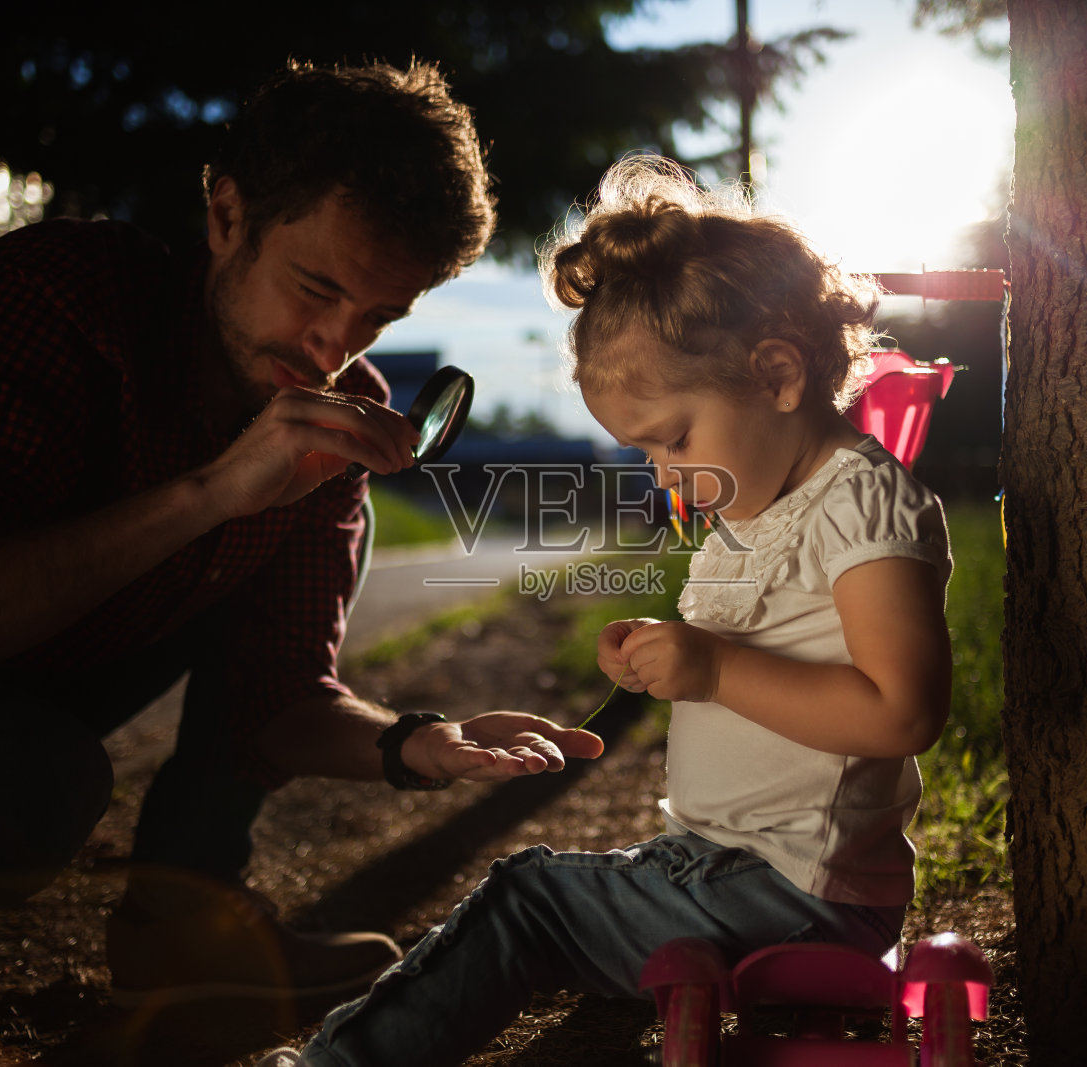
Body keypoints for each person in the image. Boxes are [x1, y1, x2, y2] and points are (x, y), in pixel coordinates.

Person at [0, 60, 601, 1067]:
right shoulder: (57, 304)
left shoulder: (324, 415)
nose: (334, 343)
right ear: (227, 213)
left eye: (378, 317)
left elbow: (273, 698)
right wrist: (213, 491)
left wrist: (416, 743)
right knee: (37, 780)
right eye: (317, 288)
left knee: (215, 585)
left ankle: (187, 927)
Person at [264, 155, 955, 1067]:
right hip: (738, 870)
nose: (669, 474)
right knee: (561, 890)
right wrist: (664, 655)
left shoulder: (863, 501)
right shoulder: (760, 502)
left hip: (798, 894)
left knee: (529, 898)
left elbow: (902, 709)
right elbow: (760, 645)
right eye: (648, 453)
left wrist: (712, 669)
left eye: (674, 439)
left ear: (780, 374)